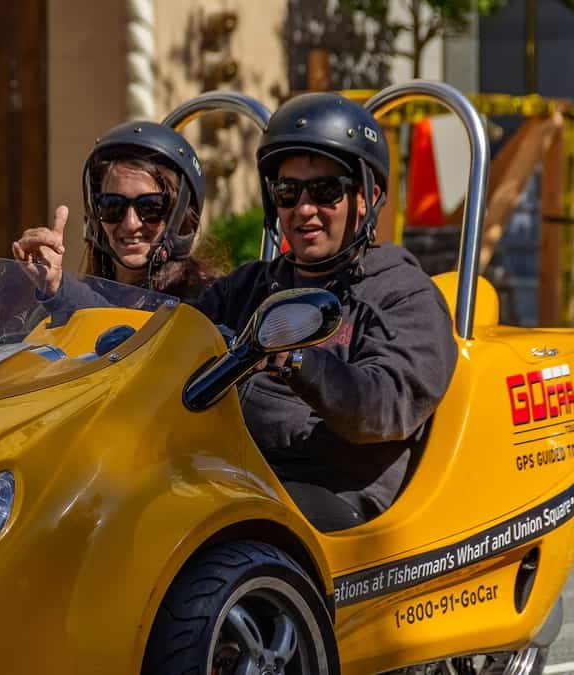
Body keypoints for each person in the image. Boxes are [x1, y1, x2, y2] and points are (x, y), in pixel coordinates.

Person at [191, 92, 459, 531]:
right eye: (287, 191)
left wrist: (294, 360)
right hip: (241, 476)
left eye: (325, 190)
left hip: (340, 498)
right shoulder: (252, 286)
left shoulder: (402, 293)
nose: (304, 209)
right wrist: (59, 296)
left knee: (224, 527)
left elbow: (387, 405)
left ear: (367, 197)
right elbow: (176, 332)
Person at [12, 121, 224, 303]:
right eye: (112, 205)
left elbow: (135, 338)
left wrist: (62, 290)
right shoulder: (69, 299)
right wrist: (51, 283)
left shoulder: (208, 300)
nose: (131, 223)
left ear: (179, 213)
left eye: (150, 206)